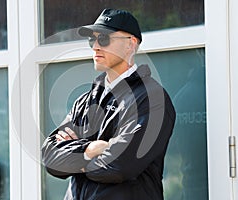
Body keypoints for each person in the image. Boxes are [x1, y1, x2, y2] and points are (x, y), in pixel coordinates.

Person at [42, 8, 176, 200]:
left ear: (130, 44)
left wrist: (74, 157)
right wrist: (91, 150)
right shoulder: (85, 100)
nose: (95, 46)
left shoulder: (152, 100)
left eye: (104, 38)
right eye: (91, 40)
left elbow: (119, 167)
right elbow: (51, 159)